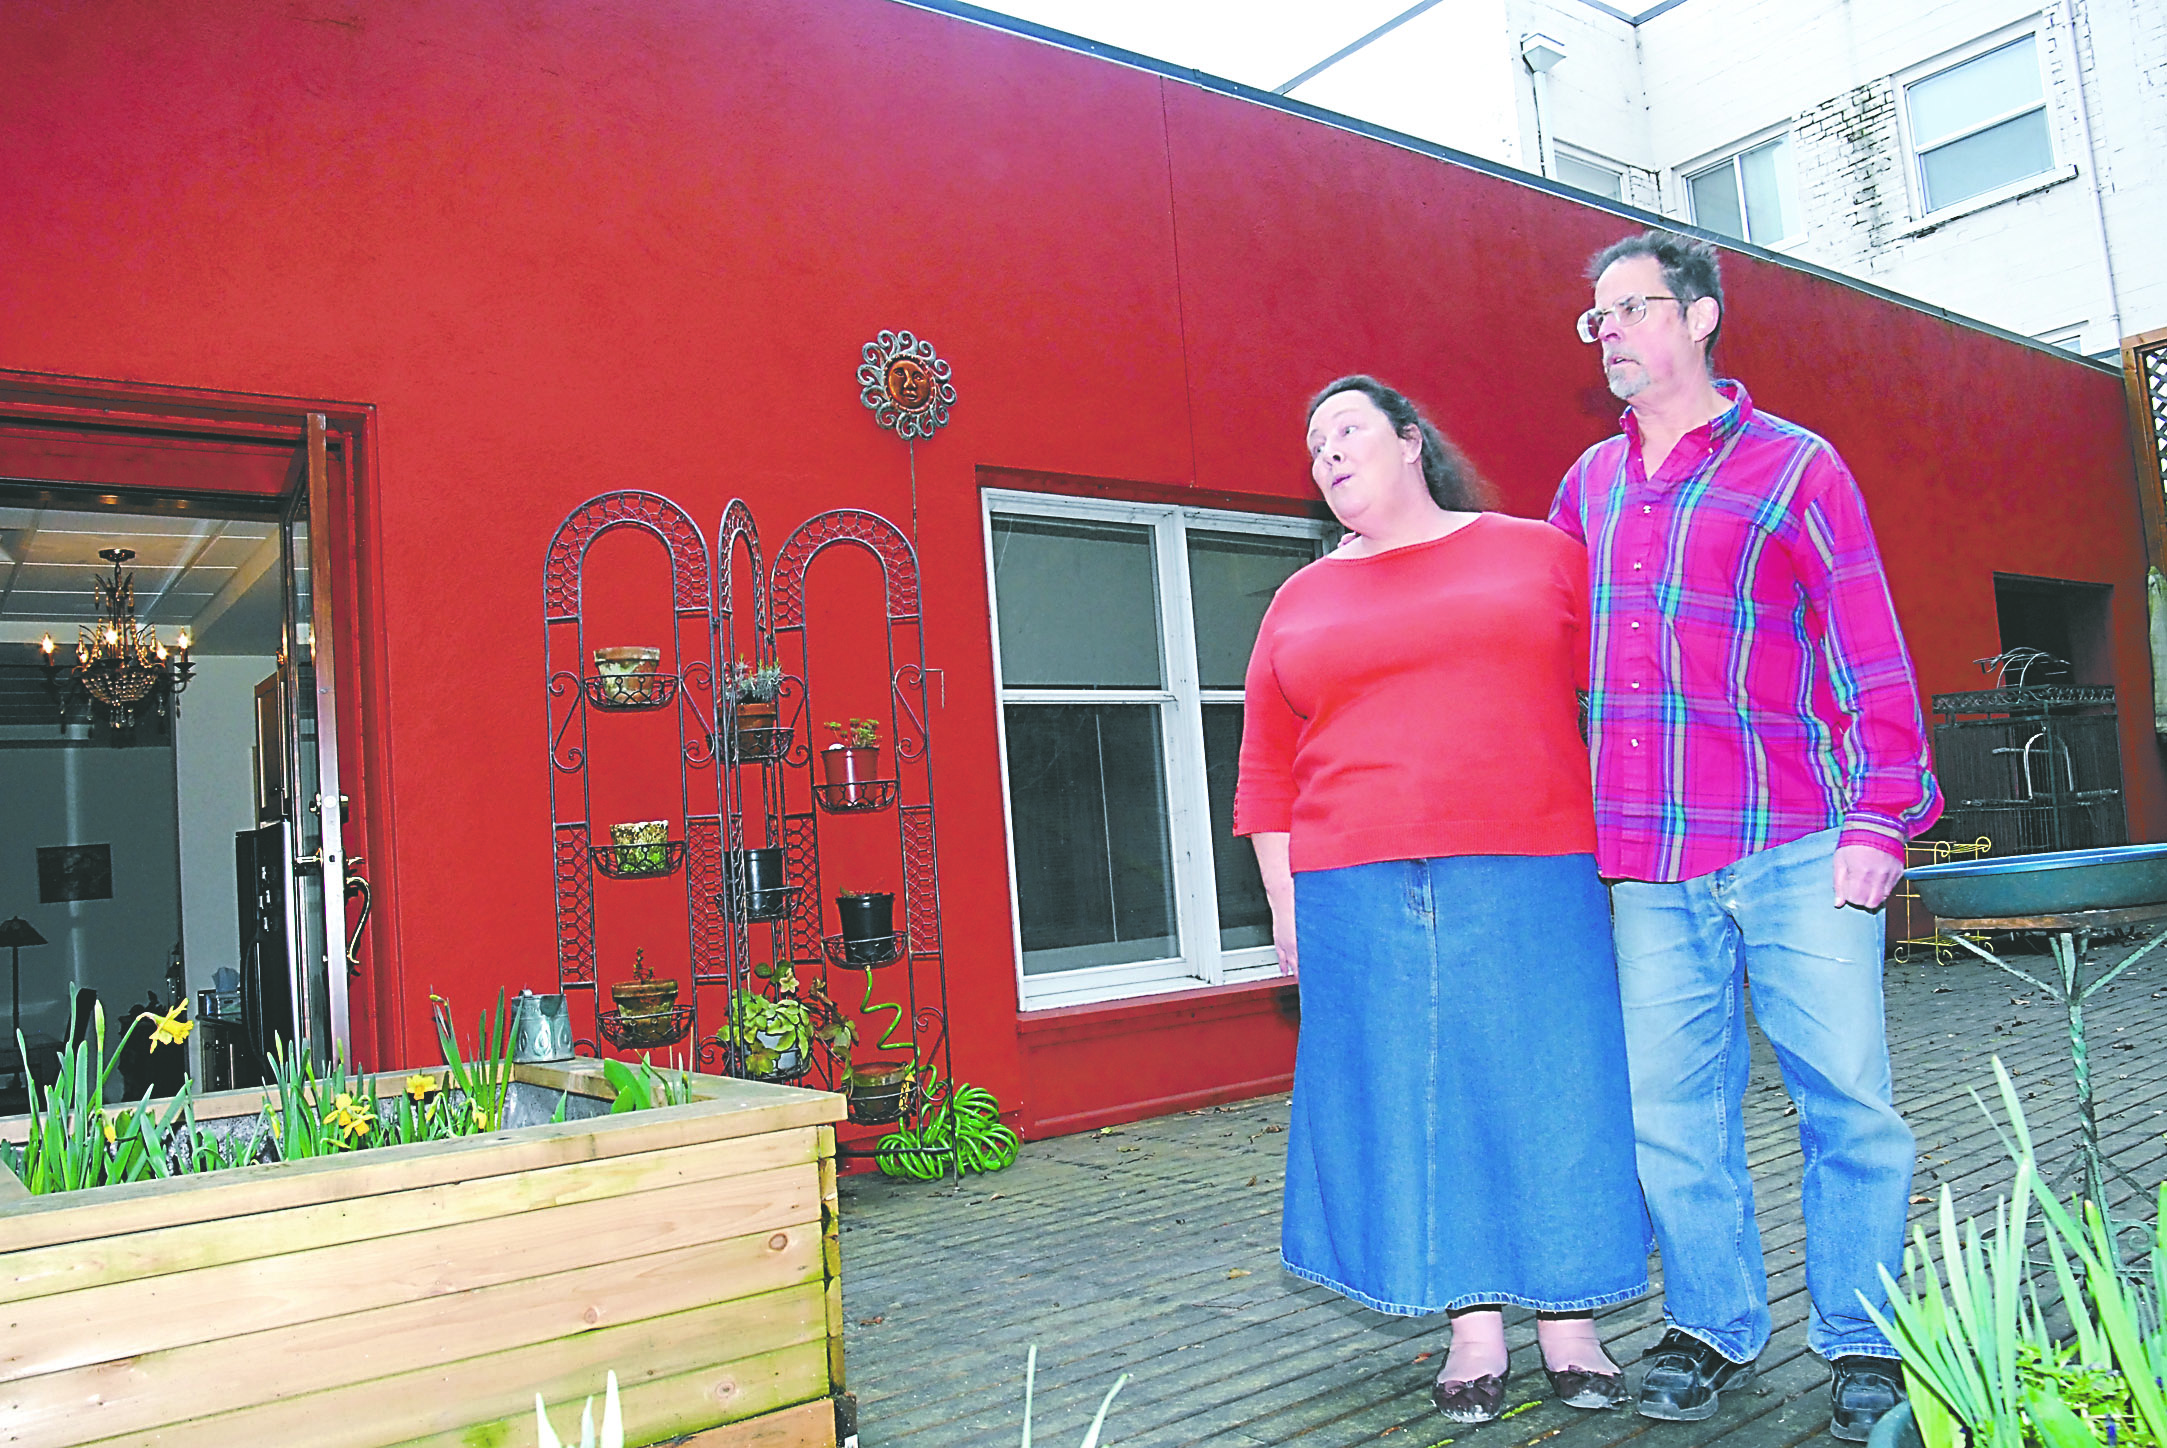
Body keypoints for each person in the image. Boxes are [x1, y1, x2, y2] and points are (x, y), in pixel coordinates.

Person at [1548, 230, 1942, 1441]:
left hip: (1795, 842)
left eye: (1631, 307)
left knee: (1847, 1105)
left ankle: (1866, 1336)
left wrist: (1883, 811)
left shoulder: (1796, 467)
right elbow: (1539, 655)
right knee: (1671, 1112)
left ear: (1700, 316)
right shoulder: (1586, 488)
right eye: (1594, 317)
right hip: (1645, 861)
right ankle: (1712, 1324)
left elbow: (1863, 641)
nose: (1609, 330)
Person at [1236, 375, 1650, 1424]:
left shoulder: (1539, 552)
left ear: (1411, 440)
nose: (1325, 450)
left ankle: (1571, 1323)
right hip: (1352, 885)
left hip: (1532, 865)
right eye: (1311, 437)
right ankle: (1470, 1328)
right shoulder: (1301, 597)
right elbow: (1265, 769)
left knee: (1553, 1087)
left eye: (1347, 428)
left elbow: (1629, 701)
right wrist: (1284, 905)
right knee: (1418, 1100)